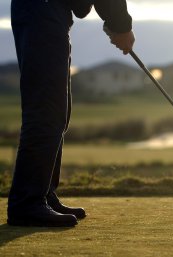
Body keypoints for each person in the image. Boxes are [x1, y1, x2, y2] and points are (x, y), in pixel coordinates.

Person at [7, 0, 135, 227]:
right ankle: (27, 203)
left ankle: (42, 194)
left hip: (49, 12)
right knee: (46, 111)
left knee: (58, 113)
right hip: (42, 10)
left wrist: (116, 24)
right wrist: (121, 26)